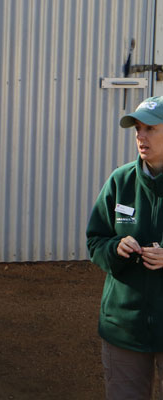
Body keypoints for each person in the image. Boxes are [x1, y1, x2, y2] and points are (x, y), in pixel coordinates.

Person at [86, 96, 163, 399]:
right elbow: (96, 240)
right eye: (137, 129)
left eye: (150, 129)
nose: (141, 137)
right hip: (124, 329)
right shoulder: (120, 181)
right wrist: (115, 248)